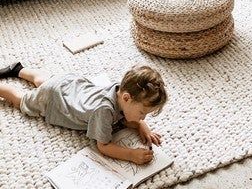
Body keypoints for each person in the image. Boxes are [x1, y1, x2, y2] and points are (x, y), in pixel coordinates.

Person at [0, 62, 167, 165]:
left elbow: (127, 117)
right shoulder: (104, 111)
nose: (143, 118)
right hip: (54, 99)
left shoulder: (120, 88)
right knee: (19, 100)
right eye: (142, 113)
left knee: (44, 81)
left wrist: (141, 126)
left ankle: (18, 69)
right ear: (126, 98)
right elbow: (104, 146)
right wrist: (131, 154)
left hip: (69, 83)